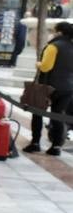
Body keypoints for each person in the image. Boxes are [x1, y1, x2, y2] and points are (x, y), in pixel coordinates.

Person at [23, 21, 73, 157]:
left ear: (59, 32)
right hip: (68, 87)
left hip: (48, 86)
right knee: (58, 115)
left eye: (54, 30)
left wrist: (38, 63)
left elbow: (46, 67)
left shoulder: (53, 46)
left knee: (37, 112)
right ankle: (56, 146)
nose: (52, 33)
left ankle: (35, 143)